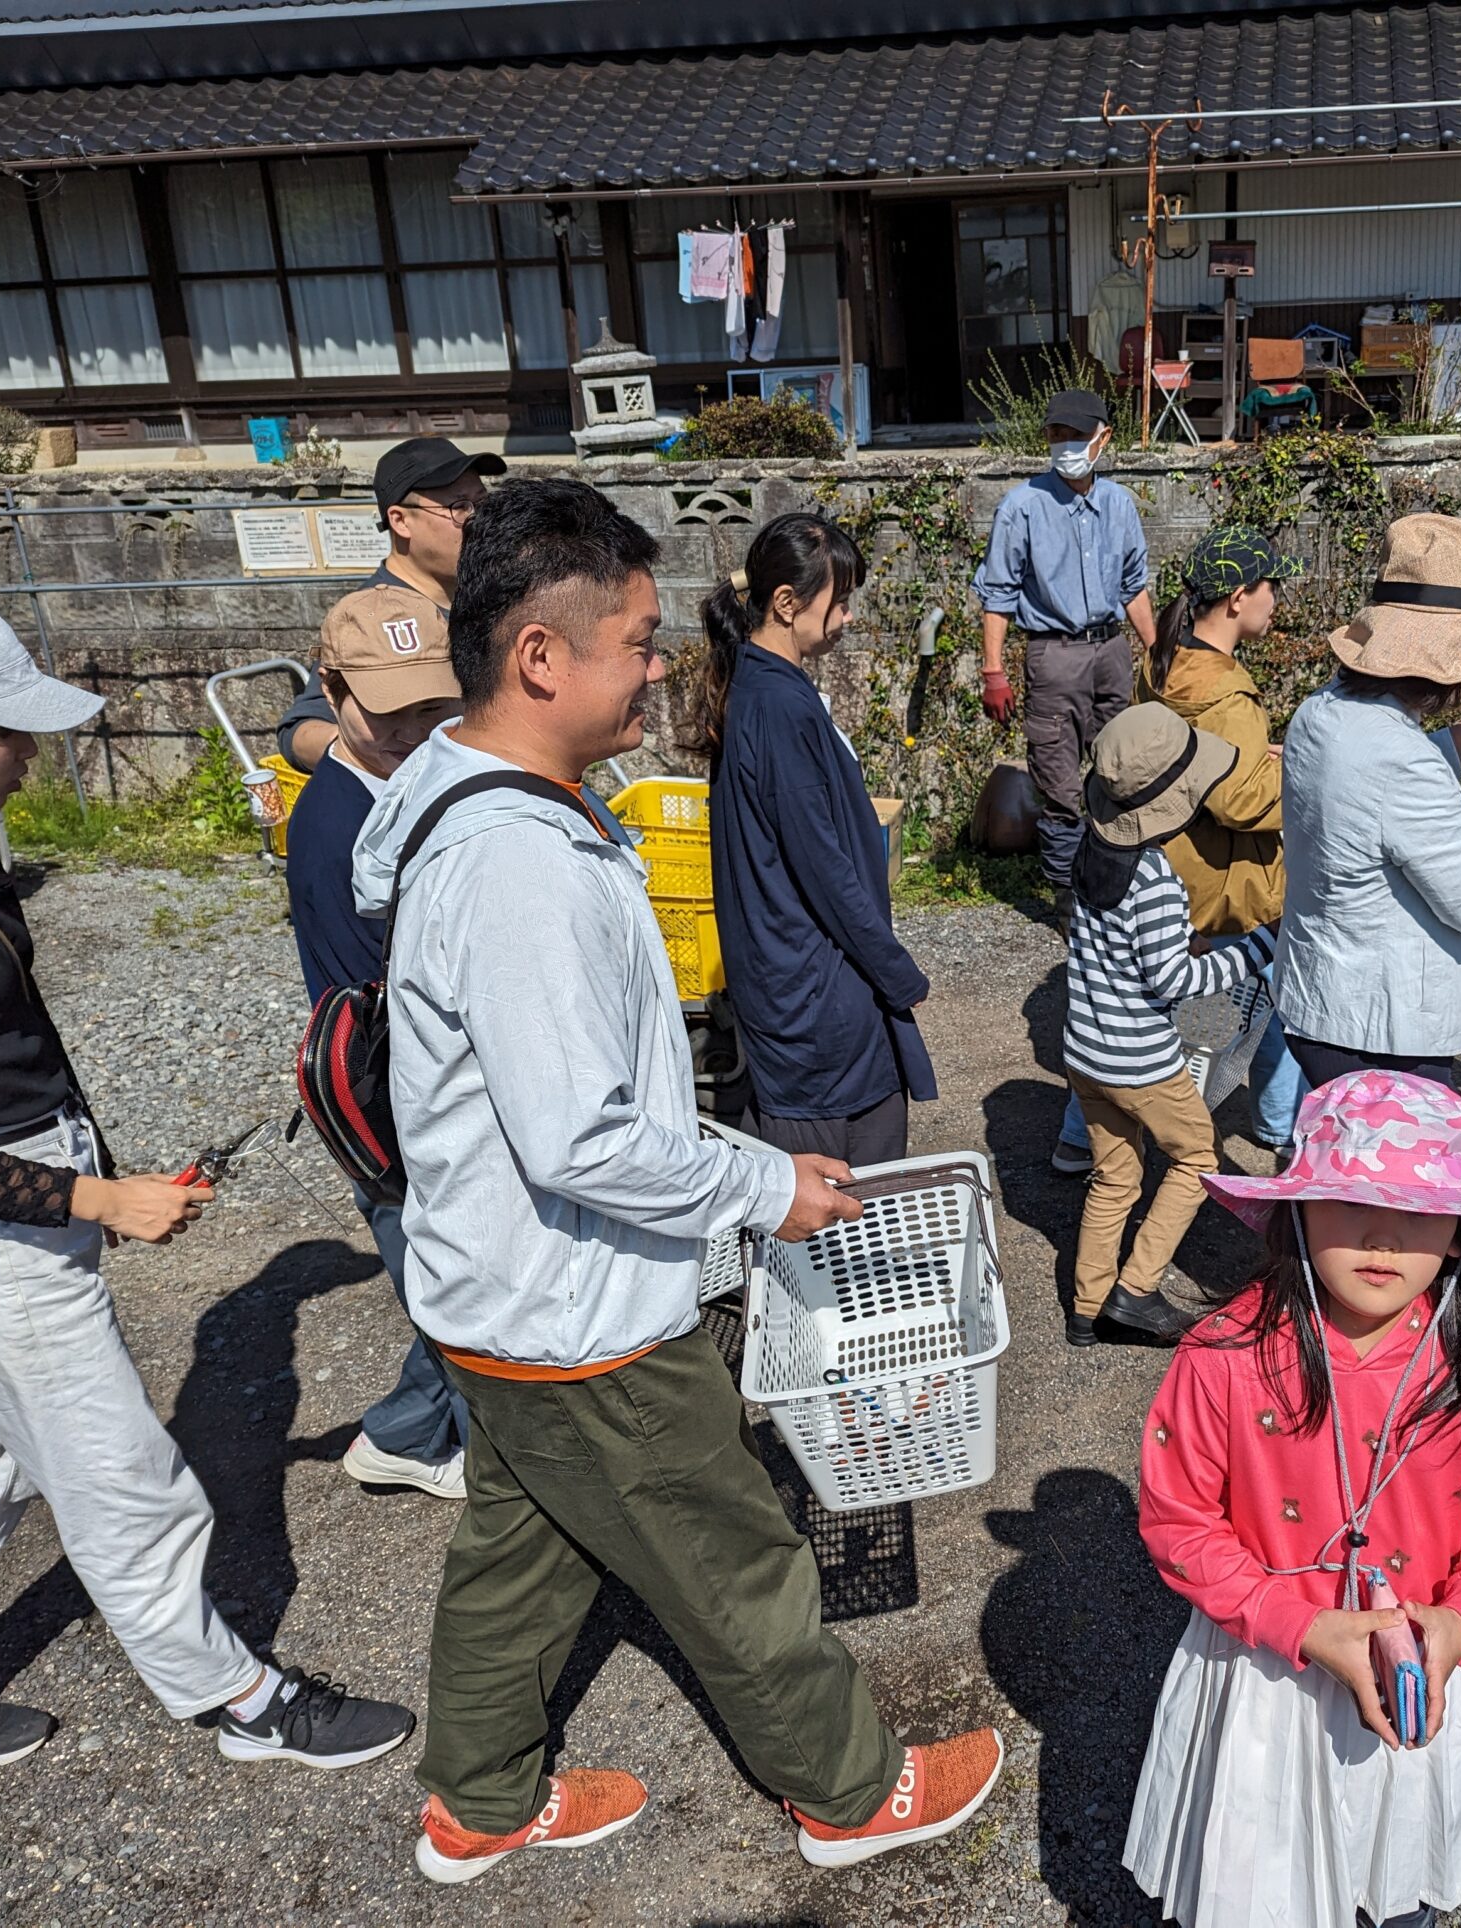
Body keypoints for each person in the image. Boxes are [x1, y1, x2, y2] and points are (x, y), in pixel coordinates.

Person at [348, 478, 1001, 1884]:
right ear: (542, 657)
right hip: (577, 1306)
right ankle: (849, 1790)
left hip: (500, 1297)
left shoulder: (482, 802)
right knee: (734, 1548)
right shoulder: (516, 861)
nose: (659, 666)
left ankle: (478, 1800)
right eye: (637, 643)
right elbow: (581, 1135)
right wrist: (768, 1186)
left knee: (522, 1560)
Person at [0, 597, 413, 1780]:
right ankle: (241, 1699)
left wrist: (102, 1176)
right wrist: (99, 1201)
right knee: (130, 1487)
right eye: (6, 730)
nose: (28, 751)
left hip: (10, 1224)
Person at [1124, 1071, 1461, 1928]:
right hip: (1267, 1674)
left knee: (1401, 1875)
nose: (1381, 1235)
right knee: (1265, 1881)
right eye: (1345, 1202)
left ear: (1460, 1233)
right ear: (1294, 1210)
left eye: (1418, 1210)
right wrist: (1295, 1622)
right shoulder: (1222, 1356)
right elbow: (1179, 1522)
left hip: (1420, 1659)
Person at [284, 584, 470, 1500]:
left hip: (412, 1093)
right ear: (331, 692)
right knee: (456, 1286)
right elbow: (399, 997)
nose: (418, 730)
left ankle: (399, 1435)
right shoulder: (337, 824)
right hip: (390, 1101)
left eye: (438, 704)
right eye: (392, 712)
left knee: (447, 1281)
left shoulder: (405, 785)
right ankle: (496, 1461)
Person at [1273, 514, 1461, 1095]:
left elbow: (1372, 781)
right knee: (1380, 1181)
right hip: (1387, 1025)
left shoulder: (1320, 712)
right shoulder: (1403, 761)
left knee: (1337, 1165)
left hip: (1320, 996)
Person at [693, 513, 933, 1166]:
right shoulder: (779, 707)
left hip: (793, 977)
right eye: (841, 600)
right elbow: (824, 867)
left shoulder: (760, 686)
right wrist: (896, 971)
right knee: (848, 1199)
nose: (848, 617)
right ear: (786, 603)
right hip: (816, 994)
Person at [973, 386, 1156, 1176]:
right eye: (1054, 431)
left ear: (1103, 438)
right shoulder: (1021, 505)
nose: (1063, 443)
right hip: (1051, 655)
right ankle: (1071, 905)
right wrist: (992, 665)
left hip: (1111, 647)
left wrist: (1167, 657)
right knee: (1058, 784)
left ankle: (1121, 886)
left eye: (1076, 433)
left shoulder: (1119, 504)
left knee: (1126, 778)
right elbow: (997, 591)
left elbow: (1137, 584)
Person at [1062, 705, 1276, 1348]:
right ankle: (1137, 1288)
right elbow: (1175, 984)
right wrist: (1259, 947)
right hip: (1142, 1064)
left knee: (1115, 1176)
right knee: (1196, 1159)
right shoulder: (1154, 878)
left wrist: (1192, 945)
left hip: (1087, 1054)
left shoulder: (1090, 852)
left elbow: (1132, 951)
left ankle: (1087, 1303)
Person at [1140, 524, 1303, 1150]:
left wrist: (1257, 755)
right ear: (1238, 596)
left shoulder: (1165, 664)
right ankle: (1275, 1123)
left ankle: (1082, 1131)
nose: (1276, 601)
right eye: (1271, 587)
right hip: (1224, 879)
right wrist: (1295, 769)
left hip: (1166, 863)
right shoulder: (1229, 693)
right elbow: (1239, 800)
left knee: (1145, 1006)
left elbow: (1190, 759)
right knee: (1282, 993)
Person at [276, 436, 506, 772]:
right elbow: (299, 731)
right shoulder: (374, 616)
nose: (478, 521)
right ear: (400, 520)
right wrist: (383, 762)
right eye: (459, 507)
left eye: (482, 504)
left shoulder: (493, 592)